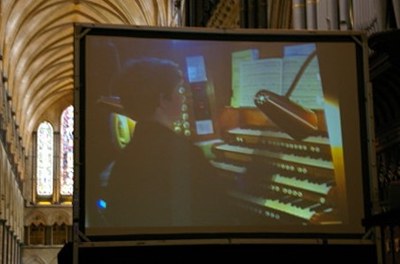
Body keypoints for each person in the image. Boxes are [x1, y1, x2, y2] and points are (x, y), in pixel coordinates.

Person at [103, 57, 235, 227]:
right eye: (179, 91)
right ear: (162, 99)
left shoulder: (124, 159)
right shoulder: (185, 154)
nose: (184, 99)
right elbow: (220, 212)